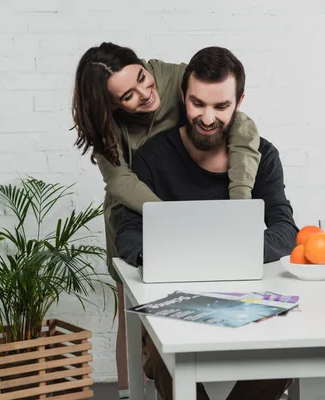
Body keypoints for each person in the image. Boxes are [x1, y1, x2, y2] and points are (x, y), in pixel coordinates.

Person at [71, 42, 263, 398]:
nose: (145, 93)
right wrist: (173, 221)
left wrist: (240, 210)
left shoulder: (176, 77)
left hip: (189, 201)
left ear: (144, 64)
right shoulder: (105, 125)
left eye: (143, 78)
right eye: (128, 95)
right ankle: (131, 393)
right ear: (110, 106)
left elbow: (241, 126)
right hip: (135, 211)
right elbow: (120, 181)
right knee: (132, 310)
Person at [115, 46, 297, 400]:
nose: (208, 117)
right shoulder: (153, 157)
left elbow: (285, 230)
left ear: (239, 102)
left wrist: (229, 255)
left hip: (245, 299)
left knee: (286, 353)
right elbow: (128, 234)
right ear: (183, 96)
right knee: (168, 357)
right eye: (198, 104)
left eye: (221, 106)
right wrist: (165, 260)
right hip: (170, 304)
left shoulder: (263, 155)